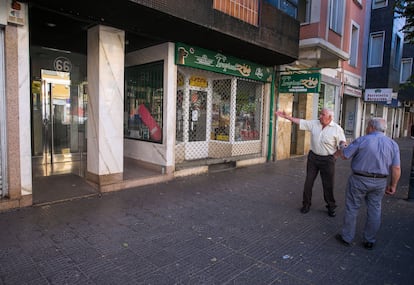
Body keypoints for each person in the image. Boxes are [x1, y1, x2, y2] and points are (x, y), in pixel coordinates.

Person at [334, 117, 401, 250]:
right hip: (380, 182)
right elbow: (396, 168)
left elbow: (345, 155)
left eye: (367, 126)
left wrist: (342, 145)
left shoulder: (363, 140)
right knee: (375, 210)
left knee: (352, 208)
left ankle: (347, 237)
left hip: (359, 179)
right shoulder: (393, 144)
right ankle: (369, 240)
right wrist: (393, 185)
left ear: (371, 127)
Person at [275, 108, 346, 217]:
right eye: (320, 114)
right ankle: (306, 204)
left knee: (328, 185)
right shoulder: (314, 124)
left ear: (330, 117)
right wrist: (287, 117)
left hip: (327, 160)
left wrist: (334, 157)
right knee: (308, 182)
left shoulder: (337, 129)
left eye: (323, 114)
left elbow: (342, 143)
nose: (320, 116)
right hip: (313, 158)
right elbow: (300, 121)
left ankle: (331, 206)